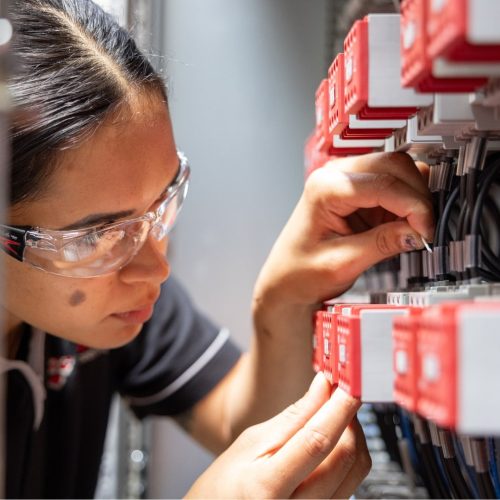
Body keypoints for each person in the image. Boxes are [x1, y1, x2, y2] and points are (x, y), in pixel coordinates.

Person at [0, 0, 434, 498]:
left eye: (163, 200)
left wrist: (284, 297)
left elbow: (240, 421)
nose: (156, 267)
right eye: (98, 236)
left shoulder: (109, 296)